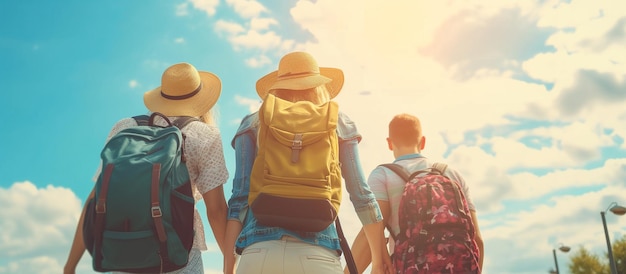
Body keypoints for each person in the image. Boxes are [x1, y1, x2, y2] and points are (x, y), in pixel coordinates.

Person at [223, 51, 392, 274]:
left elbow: (239, 201)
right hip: (317, 253)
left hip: (259, 253)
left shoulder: (253, 122)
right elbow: (361, 195)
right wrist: (378, 259)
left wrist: (229, 267)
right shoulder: (338, 121)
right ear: (318, 85)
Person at [63, 62, 230, 274]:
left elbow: (94, 200)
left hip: (124, 252)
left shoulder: (124, 127)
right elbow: (216, 211)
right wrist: (230, 265)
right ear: (200, 100)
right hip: (178, 254)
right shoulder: (204, 135)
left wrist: (70, 266)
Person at [347, 113, 484, 273]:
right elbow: (477, 239)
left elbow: (371, 232)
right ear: (423, 141)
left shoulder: (382, 176)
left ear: (390, 143)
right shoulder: (452, 175)